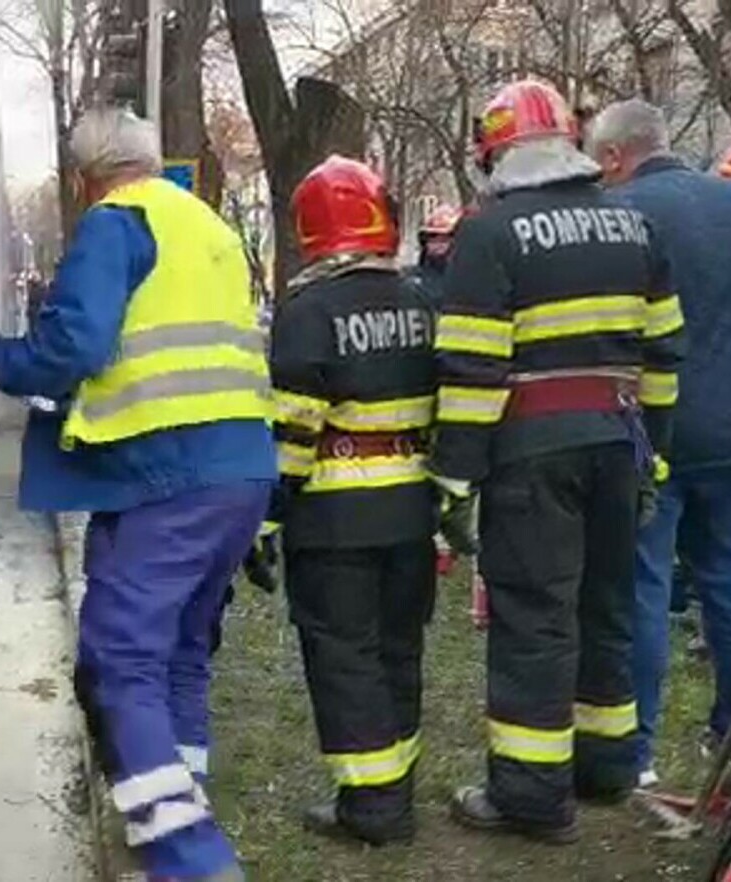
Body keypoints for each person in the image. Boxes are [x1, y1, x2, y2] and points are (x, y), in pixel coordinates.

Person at [0, 107, 274, 882]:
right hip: (241, 470)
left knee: (117, 660)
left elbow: (77, 344)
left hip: (166, 476)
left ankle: (189, 860)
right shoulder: (207, 226)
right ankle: (179, 800)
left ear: (81, 178)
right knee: (180, 652)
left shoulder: (114, 222)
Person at [432, 80, 684, 843]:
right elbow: (664, 350)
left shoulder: (490, 232)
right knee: (605, 604)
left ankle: (531, 797)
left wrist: (454, 479)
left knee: (534, 620)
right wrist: (655, 454)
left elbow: (473, 368)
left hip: (532, 453)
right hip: (619, 441)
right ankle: (605, 766)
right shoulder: (631, 224)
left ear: (499, 153)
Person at [269, 156, 437, 845]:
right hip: (411, 513)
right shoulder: (423, 302)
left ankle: (372, 806)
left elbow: (292, 432)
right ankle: (397, 785)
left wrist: (269, 516)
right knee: (399, 650)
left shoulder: (307, 311)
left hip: (334, 519)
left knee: (345, 656)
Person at [588, 99, 731, 787]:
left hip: (650, 426)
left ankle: (634, 752)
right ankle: (728, 738)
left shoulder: (618, 218)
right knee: (730, 583)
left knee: (641, 585)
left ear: (616, 156)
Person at [406, 203, 462, 308]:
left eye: (445, 239)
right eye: (432, 237)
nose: (437, 244)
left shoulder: (467, 279)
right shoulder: (412, 279)